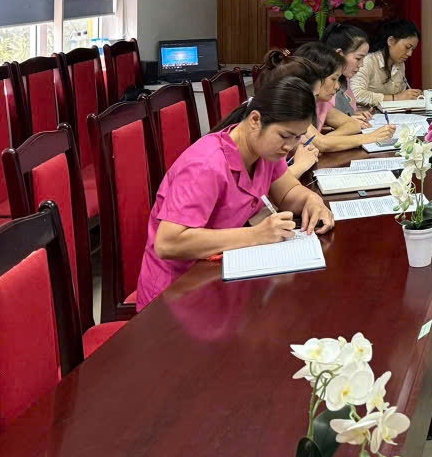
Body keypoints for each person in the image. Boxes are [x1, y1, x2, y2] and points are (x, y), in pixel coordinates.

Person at [135, 77, 335, 311]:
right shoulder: (206, 165)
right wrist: (256, 235)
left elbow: (288, 192)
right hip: (177, 293)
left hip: (221, 275)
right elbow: (168, 243)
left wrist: (313, 201)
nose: (290, 147)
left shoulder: (264, 152)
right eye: (284, 136)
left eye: (297, 137)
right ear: (255, 120)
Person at [261, 46, 395, 179]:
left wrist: (325, 140)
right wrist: (371, 137)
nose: (337, 86)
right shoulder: (291, 108)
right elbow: (274, 181)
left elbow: (351, 125)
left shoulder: (320, 102)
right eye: (333, 79)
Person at [352, 19, 421, 108]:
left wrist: (411, 96)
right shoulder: (367, 61)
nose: (410, 54)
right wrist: (395, 98)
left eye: (412, 50)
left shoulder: (400, 64)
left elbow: (401, 96)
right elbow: (355, 94)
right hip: (365, 114)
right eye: (407, 47)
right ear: (391, 41)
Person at [323, 23, 373, 119]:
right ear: (339, 54)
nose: (361, 64)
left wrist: (354, 114)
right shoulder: (320, 82)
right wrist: (348, 120)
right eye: (358, 58)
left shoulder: (344, 79)